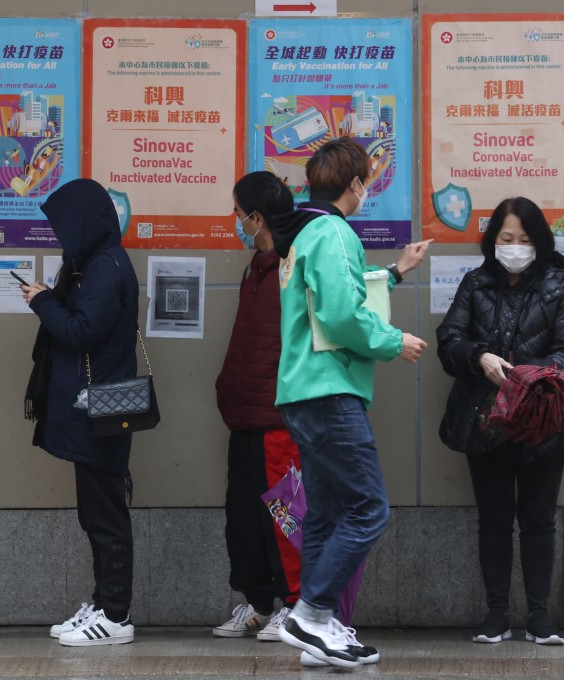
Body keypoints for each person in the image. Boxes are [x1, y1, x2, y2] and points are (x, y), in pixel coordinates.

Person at [269, 137, 429, 667]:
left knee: (327, 514)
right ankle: (312, 615)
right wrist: (392, 340)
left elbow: (343, 294)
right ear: (355, 184)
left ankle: (318, 628)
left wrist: (397, 273)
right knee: (368, 508)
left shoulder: (304, 234)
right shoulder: (334, 231)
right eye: (367, 182)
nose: (367, 190)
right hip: (330, 392)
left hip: (302, 392)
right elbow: (341, 315)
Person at [436, 197, 564, 646]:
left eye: (524, 240)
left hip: (543, 421)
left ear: (541, 241)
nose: (515, 247)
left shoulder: (559, 282)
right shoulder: (476, 283)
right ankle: (495, 615)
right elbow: (448, 340)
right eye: (506, 239)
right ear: (493, 241)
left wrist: (529, 377)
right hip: (485, 421)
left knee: (539, 520)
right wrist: (479, 355)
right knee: (493, 520)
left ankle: (539, 616)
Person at [20, 178, 139, 647]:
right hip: (102, 399)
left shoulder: (106, 267)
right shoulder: (94, 264)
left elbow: (81, 331)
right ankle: (104, 602)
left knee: (106, 512)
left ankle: (115, 616)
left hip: (105, 402)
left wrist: (43, 301)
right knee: (96, 511)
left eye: (63, 227)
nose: (60, 237)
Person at [213, 172, 302, 642]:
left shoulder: (292, 265)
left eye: (238, 211)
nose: (236, 220)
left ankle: (294, 604)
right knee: (242, 519)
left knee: (285, 517)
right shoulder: (255, 266)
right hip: (244, 418)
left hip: (278, 422)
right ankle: (257, 603)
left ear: (257, 216)